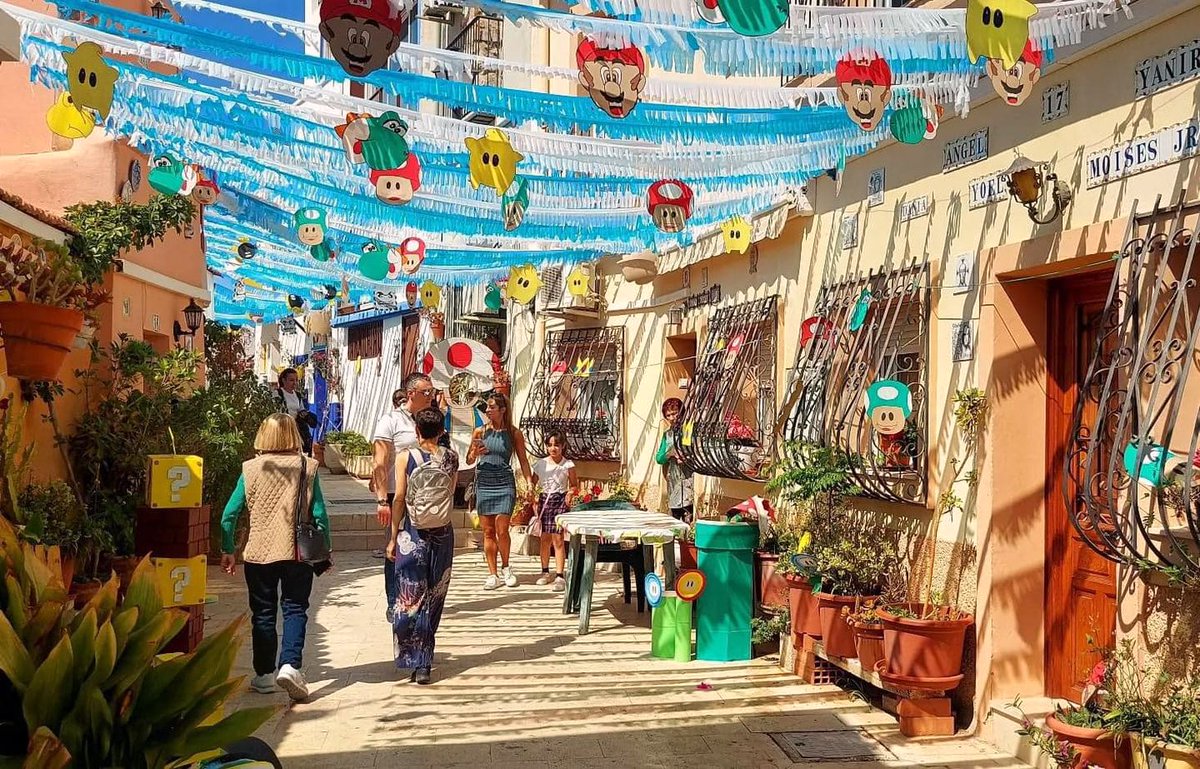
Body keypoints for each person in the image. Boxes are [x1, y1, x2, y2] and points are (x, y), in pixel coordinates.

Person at [220, 413, 331, 702]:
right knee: (295, 608)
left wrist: (227, 548)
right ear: (293, 435)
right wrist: (325, 550)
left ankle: (264, 675)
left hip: (258, 553)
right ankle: (291, 666)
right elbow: (318, 513)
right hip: (296, 552)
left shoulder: (251, 469)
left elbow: (229, 514)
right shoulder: (307, 467)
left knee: (264, 613)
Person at [389, 407, 458, 684]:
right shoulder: (451, 458)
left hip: (413, 534)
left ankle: (413, 657)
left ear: (417, 431)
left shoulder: (406, 457)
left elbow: (400, 498)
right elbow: (451, 492)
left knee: (410, 595)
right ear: (441, 431)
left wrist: (393, 536)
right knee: (435, 595)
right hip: (442, 532)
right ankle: (425, 662)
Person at [372, 373, 434, 622]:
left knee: (424, 548)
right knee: (395, 547)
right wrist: (381, 500)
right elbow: (379, 461)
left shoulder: (432, 419)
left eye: (432, 391)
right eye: (426, 392)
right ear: (412, 394)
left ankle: (421, 595)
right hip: (396, 494)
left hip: (425, 496)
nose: (431, 396)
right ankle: (393, 599)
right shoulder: (391, 421)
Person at [467, 392, 532, 590]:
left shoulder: (513, 433)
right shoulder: (480, 432)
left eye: (492, 407)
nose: (487, 410)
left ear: (502, 410)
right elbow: (469, 460)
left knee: (502, 529)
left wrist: (529, 483)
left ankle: (506, 567)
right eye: (487, 407)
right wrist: (474, 453)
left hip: (504, 482)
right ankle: (492, 574)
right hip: (484, 481)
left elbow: (523, 460)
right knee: (488, 531)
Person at [531, 431, 577, 592]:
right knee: (544, 538)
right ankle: (545, 572)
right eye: (550, 445)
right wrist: (532, 496)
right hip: (545, 500)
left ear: (563, 446)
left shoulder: (568, 465)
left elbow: (573, 485)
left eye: (556, 445)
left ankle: (559, 575)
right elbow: (533, 483)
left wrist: (570, 494)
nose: (553, 448)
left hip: (559, 500)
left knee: (558, 539)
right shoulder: (540, 464)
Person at [655, 397, 694, 523]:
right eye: (668, 415)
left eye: (675, 413)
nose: (672, 418)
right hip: (674, 481)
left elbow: (694, 451)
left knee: (689, 514)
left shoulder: (688, 430)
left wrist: (686, 457)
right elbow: (659, 458)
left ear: (681, 412)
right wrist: (670, 454)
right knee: (675, 517)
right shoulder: (668, 434)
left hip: (689, 478)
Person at [276, 368, 317, 455]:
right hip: (282, 428)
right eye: (291, 380)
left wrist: (305, 415)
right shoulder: (277, 394)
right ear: (283, 380)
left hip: (296, 428)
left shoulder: (297, 395)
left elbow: (301, 409)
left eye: (296, 380)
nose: (294, 383)